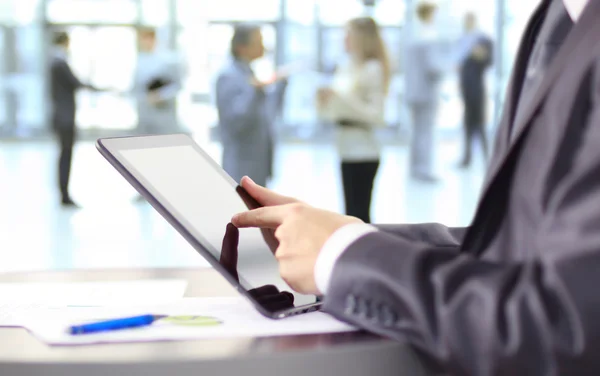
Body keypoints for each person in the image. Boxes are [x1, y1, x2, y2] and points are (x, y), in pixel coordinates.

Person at [231, 0, 600, 374]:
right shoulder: (555, 17)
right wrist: (346, 236)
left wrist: (342, 255)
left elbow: (564, 326)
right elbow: (514, 245)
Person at [316, 17, 391, 224]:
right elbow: (333, 112)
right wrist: (324, 101)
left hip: (364, 152)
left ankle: (365, 254)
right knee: (349, 214)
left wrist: (340, 98)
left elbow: (377, 115)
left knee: (359, 215)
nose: (344, 40)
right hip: (345, 148)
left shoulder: (373, 69)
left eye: (348, 35)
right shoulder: (346, 67)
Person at [215, 24, 288, 187]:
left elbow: (266, 113)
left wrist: (281, 87)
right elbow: (236, 121)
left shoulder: (249, 74)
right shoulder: (228, 76)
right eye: (258, 42)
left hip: (257, 160)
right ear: (242, 47)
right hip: (240, 162)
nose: (263, 47)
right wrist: (254, 91)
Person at [49, 31, 100, 207]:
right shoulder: (59, 64)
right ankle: (64, 194)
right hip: (65, 118)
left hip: (61, 116)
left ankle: (64, 193)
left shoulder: (55, 63)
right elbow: (76, 83)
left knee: (65, 154)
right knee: (66, 154)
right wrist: (98, 88)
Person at [404, 1, 447, 183]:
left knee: (416, 132)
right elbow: (433, 67)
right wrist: (448, 67)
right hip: (427, 92)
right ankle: (424, 169)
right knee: (426, 132)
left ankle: (415, 168)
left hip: (413, 90)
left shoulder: (412, 33)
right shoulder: (429, 34)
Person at [458, 13, 493, 168]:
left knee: (480, 124)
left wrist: (479, 54)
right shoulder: (463, 42)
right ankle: (467, 158)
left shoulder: (483, 41)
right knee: (467, 123)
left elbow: (488, 61)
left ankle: (488, 157)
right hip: (466, 89)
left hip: (477, 89)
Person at [133, 28, 182, 135]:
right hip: (144, 112)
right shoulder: (139, 61)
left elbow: (177, 85)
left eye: (149, 38)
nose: (146, 42)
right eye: (143, 39)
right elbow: (135, 89)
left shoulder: (168, 60)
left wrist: (160, 95)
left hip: (163, 111)